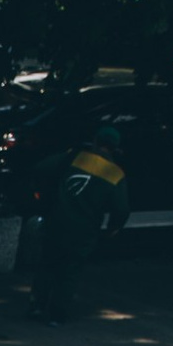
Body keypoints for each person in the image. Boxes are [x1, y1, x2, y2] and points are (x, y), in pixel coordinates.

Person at [28, 127, 131, 325]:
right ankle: (57, 315)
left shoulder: (75, 156)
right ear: (115, 148)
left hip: (56, 221)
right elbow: (122, 209)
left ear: (95, 140)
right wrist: (113, 228)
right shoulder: (115, 173)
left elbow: (41, 168)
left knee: (47, 264)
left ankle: (37, 305)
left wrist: (41, 194)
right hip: (84, 230)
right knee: (70, 271)